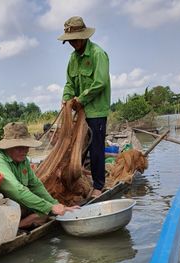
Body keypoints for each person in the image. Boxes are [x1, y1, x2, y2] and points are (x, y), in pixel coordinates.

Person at [0, 122, 78, 228]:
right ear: (7, 147)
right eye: (19, 147)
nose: (24, 151)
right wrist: (50, 207)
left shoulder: (22, 160)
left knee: (45, 212)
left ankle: (25, 221)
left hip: (16, 204)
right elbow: (17, 191)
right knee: (45, 211)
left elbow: (35, 185)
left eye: (26, 147)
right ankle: (15, 226)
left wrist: (54, 204)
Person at [58, 16, 111, 198]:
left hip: (96, 110)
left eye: (75, 39)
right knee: (77, 148)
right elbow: (69, 83)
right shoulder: (73, 58)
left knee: (96, 147)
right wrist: (66, 98)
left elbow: (100, 83)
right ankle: (76, 181)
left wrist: (80, 100)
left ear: (84, 36)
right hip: (80, 112)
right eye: (70, 41)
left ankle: (98, 185)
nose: (73, 43)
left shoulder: (97, 54)